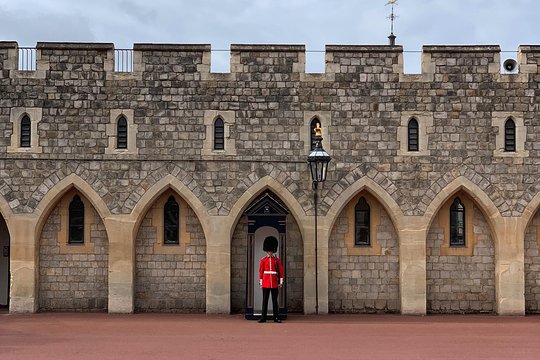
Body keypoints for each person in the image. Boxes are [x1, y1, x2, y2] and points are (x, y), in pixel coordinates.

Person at [258, 235, 284, 323]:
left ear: (273, 251)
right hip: (266, 282)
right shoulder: (263, 260)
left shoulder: (277, 260)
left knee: (274, 301)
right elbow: (261, 272)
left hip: (274, 283)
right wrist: (261, 283)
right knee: (265, 301)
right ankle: (263, 317)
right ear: (266, 250)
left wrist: (280, 282)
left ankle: (276, 317)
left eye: (271, 251)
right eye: (268, 251)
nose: (270, 252)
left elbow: (280, 271)